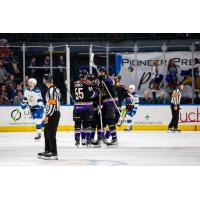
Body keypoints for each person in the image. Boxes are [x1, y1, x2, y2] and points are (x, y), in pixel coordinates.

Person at [38, 74, 61, 160]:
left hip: (53, 114)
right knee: (46, 133)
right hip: (52, 112)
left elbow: (52, 104)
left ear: (45, 80)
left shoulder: (52, 91)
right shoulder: (53, 89)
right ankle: (48, 150)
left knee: (51, 133)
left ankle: (54, 152)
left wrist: (47, 115)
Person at [73, 70, 95, 147]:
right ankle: (88, 141)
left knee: (77, 125)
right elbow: (90, 95)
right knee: (88, 124)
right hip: (87, 106)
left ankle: (77, 141)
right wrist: (96, 92)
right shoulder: (88, 83)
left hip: (77, 107)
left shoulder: (75, 83)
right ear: (86, 75)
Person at [98, 67, 118, 145]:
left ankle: (114, 138)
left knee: (110, 120)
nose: (100, 73)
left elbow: (111, 82)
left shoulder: (108, 78)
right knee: (104, 120)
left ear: (104, 72)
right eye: (99, 72)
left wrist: (103, 79)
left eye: (101, 72)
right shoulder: (100, 80)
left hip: (111, 101)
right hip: (105, 103)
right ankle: (103, 136)